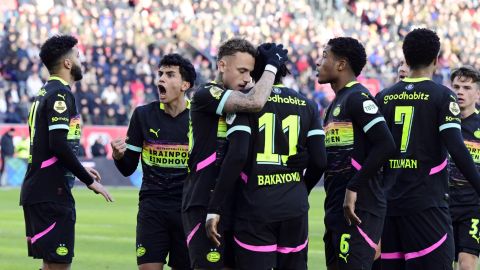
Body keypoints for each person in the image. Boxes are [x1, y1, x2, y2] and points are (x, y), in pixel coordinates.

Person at [206, 43, 327, 270]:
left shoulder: (245, 103)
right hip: (294, 209)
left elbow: (237, 157)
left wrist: (215, 206)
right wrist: (301, 189)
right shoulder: (308, 105)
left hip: (256, 208)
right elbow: (320, 161)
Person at [376, 28, 480, 270]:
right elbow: (457, 148)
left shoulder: (383, 97)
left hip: (389, 205)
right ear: (436, 60)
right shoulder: (442, 96)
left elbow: (373, 152)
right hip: (426, 205)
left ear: (406, 57)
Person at [182, 38, 288, 269]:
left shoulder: (235, 100)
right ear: (222, 66)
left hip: (233, 201)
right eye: (242, 71)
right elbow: (256, 100)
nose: (247, 78)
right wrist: (271, 67)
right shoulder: (206, 94)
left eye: (250, 72)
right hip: (203, 200)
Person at [20, 34, 113, 270]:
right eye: (78, 56)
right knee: (59, 265)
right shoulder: (60, 94)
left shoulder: (45, 92)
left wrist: (80, 168)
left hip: (42, 190)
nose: (81, 60)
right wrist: (88, 180)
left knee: (51, 265)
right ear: (68, 63)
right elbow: (58, 144)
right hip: (51, 192)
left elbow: (50, 145)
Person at [317, 37, 396, 270]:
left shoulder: (358, 98)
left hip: (358, 208)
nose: (318, 63)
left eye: (324, 56)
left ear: (341, 64)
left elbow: (386, 144)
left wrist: (353, 187)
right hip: (336, 207)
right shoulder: (335, 104)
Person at [111, 53, 196, 270]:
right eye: (160, 74)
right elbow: (128, 168)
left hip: (186, 208)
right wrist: (119, 156)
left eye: (169, 75)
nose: (161, 80)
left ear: (185, 84)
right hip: (152, 206)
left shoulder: (198, 118)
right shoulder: (142, 115)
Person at [448, 66, 480, 270]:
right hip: (442, 205)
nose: (460, 92)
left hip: (473, 207)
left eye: (467, 88)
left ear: (477, 93)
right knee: (440, 262)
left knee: (466, 263)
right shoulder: (443, 122)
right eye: (457, 87)